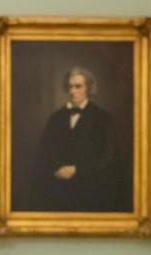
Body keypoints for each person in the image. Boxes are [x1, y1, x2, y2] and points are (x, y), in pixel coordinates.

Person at [30, 66, 125, 212]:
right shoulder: (55, 118)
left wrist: (77, 171)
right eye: (70, 87)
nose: (72, 91)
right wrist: (56, 170)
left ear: (89, 88)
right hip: (57, 194)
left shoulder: (104, 119)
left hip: (91, 195)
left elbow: (109, 159)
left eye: (78, 86)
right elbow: (43, 153)